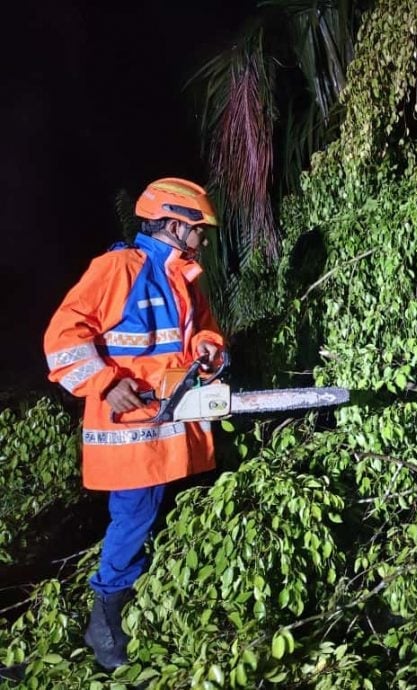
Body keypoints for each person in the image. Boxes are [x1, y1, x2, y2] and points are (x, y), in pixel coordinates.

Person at [43, 178, 224, 670]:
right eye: (196, 229)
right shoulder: (118, 269)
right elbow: (62, 338)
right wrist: (103, 381)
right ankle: (107, 624)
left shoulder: (182, 278)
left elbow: (202, 330)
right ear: (171, 225)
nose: (203, 239)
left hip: (169, 425)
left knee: (155, 516)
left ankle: (140, 610)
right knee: (135, 517)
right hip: (128, 429)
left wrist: (209, 348)